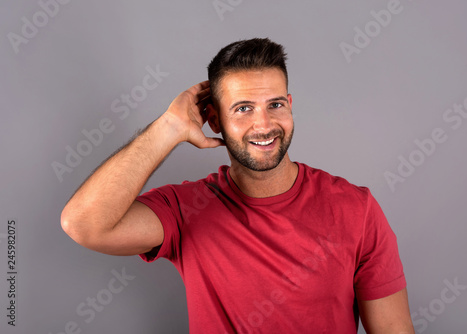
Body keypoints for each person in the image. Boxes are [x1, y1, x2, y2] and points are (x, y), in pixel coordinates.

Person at [61, 38, 414, 334]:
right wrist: (169, 127)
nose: (264, 124)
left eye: (275, 104)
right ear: (214, 120)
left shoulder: (356, 208)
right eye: (243, 108)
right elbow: (83, 224)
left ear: (290, 106)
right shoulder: (186, 210)